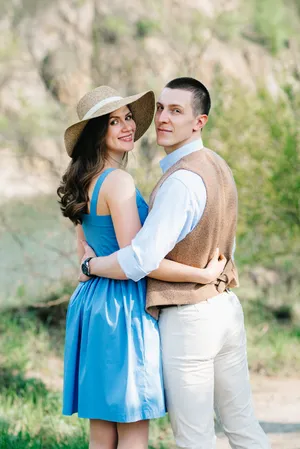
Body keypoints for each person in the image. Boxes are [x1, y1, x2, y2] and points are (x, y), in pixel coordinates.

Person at [79, 78, 271, 449]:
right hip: (225, 306)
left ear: (199, 122)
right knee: (243, 425)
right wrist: (211, 275)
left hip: (189, 317)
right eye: (162, 108)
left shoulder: (180, 181)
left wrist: (91, 267)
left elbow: (141, 260)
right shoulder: (217, 165)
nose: (163, 119)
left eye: (176, 111)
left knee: (194, 437)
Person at [58, 84, 227, 449]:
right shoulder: (117, 181)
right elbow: (140, 262)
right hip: (122, 309)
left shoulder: (82, 182)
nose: (127, 126)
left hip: (91, 305)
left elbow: (84, 256)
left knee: (101, 433)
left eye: (128, 117)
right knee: (133, 428)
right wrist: (202, 275)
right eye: (113, 122)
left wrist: (90, 269)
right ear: (95, 134)